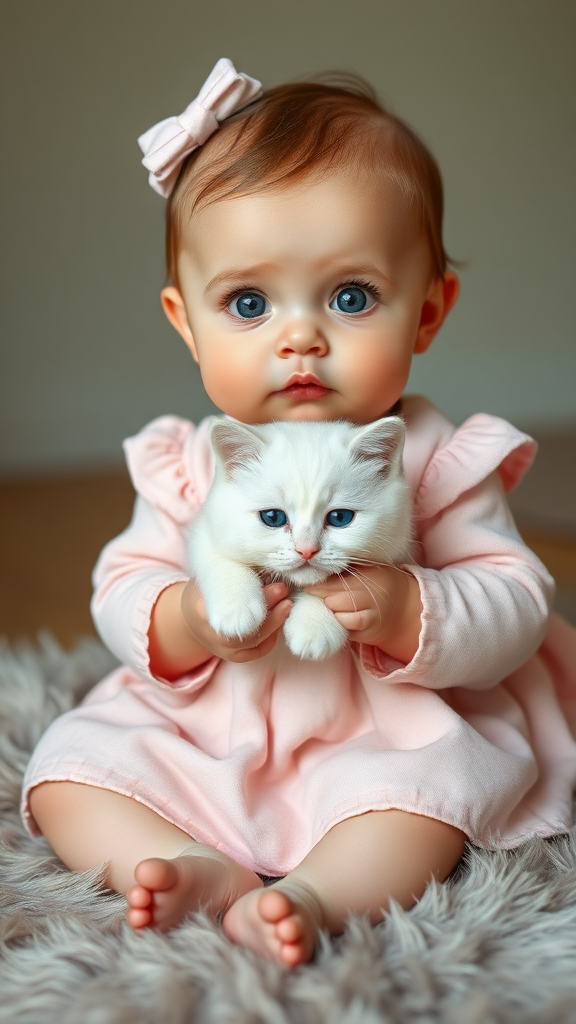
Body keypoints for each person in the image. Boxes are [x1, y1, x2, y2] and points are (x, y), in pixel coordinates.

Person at [22, 58, 576, 968]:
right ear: (186, 322)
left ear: (429, 311)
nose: (299, 337)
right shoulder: (193, 462)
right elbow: (124, 584)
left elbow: (514, 598)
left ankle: (320, 894)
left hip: (386, 731)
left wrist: (413, 609)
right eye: (248, 302)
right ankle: (190, 862)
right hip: (215, 724)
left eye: (350, 297)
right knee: (69, 773)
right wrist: (188, 618)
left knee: (427, 803)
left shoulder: (438, 461)